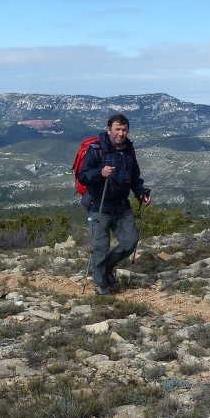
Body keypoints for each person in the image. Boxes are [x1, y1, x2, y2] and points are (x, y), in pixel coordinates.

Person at [77, 113, 151, 295]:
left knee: (130, 242)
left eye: (124, 129)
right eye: (117, 129)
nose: (121, 133)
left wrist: (141, 194)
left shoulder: (128, 151)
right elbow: (83, 176)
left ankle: (107, 268)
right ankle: (101, 285)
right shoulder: (96, 150)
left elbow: (134, 178)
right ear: (109, 129)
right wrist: (100, 173)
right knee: (100, 248)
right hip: (99, 206)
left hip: (121, 206)